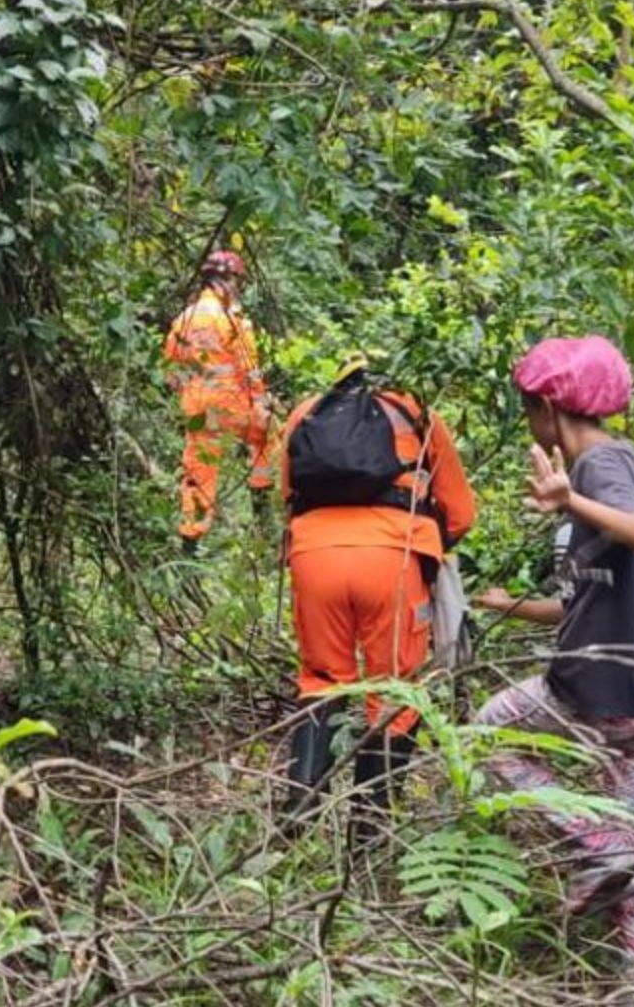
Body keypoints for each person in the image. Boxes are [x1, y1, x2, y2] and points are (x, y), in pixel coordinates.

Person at [471, 335, 634, 972]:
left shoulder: (596, 469)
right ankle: (627, 985)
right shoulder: (626, 469)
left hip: (602, 692)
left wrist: (568, 498)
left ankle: (596, 846)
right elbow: (582, 603)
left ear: (546, 406)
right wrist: (504, 604)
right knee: (631, 851)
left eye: (527, 411)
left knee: (482, 735)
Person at [277, 358, 476, 838]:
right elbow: (462, 513)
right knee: (394, 691)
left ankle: (298, 813)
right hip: (394, 559)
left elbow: (288, 495)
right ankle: (368, 828)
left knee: (321, 680)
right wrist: (423, 545)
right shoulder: (416, 414)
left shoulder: (303, 414)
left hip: (313, 557)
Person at [163, 249, 276, 548]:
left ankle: (190, 539)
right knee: (265, 437)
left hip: (199, 407)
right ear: (225, 281)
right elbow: (250, 369)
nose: (238, 288)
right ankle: (263, 508)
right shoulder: (232, 319)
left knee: (200, 467)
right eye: (236, 281)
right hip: (231, 402)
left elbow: (171, 371)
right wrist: (261, 403)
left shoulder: (184, 319)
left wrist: (190, 392)